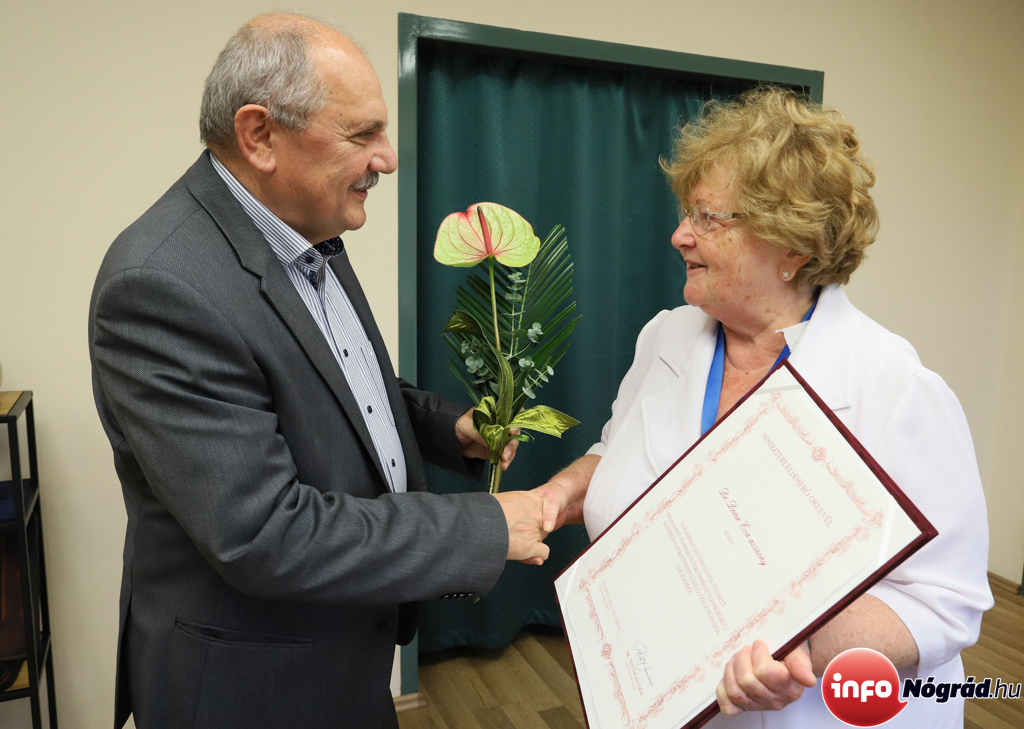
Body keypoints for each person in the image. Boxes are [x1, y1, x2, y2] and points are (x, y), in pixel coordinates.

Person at [89, 13, 554, 729]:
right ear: (259, 135)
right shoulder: (161, 287)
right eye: (362, 134)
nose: (388, 159)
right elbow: (263, 532)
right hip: (251, 687)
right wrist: (482, 525)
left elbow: (342, 388)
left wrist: (447, 428)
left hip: (344, 655)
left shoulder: (308, 231)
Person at [536, 86, 992, 727]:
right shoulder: (667, 336)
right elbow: (615, 451)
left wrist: (801, 641)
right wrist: (556, 494)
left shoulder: (896, 388)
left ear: (792, 248)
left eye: (708, 218)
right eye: (686, 213)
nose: (679, 235)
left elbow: (946, 602)